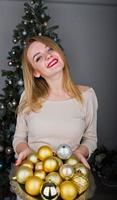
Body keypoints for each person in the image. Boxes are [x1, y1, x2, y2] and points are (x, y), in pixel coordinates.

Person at [13, 35, 98, 171]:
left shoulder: (87, 95)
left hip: (70, 176)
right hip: (34, 175)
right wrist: (27, 153)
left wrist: (78, 154)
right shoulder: (28, 97)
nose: (48, 56)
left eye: (50, 49)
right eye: (38, 57)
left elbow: (90, 138)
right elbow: (19, 138)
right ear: (35, 72)